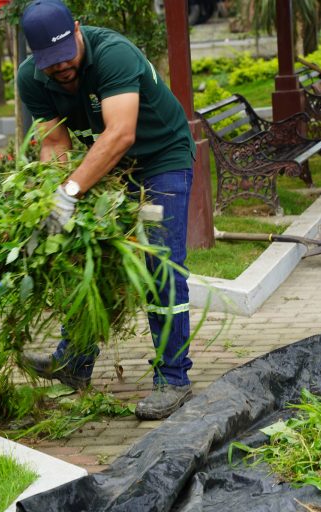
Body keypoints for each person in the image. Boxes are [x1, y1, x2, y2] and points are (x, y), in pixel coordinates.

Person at [16, 0, 196, 421]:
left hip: (160, 161)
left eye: (65, 58)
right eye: (49, 63)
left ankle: (173, 378)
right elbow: (55, 144)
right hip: (108, 169)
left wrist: (70, 193)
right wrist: (50, 196)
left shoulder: (113, 53)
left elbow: (120, 133)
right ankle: (73, 364)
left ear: (77, 31)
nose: (60, 69)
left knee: (161, 266)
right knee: (89, 260)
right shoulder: (32, 79)